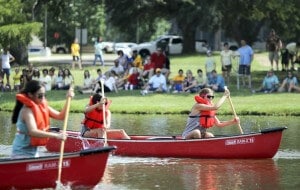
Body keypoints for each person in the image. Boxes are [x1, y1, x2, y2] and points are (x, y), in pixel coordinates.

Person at [11, 80, 73, 158]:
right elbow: (33, 131)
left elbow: (61, 116)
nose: (43, 98)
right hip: (20, 153)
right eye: (40, 95)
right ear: (30, 94)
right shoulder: (26, 111)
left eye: (44, 95)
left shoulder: (42, 106)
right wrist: (56, 136)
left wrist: (68, 100)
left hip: (33, 152)